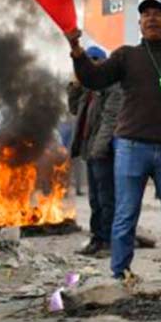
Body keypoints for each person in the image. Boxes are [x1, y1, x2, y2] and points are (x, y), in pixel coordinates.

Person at [66, 0, 161, 294]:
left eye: (158, 14)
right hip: (131, 146)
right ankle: (120, 275)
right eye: (146, 14)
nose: (151, 18)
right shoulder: (125, 56)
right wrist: (77, 51)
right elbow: (94, 79)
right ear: (139, 24)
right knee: (125, 214)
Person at [68, 46, 123, 257]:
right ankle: (97, 239)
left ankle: (108, 242)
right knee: (94, 199)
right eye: (88, 60)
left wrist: (99, 149)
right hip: (89, 150)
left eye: (95, 60)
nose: (90, 63)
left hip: (103, 152)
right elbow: (74, 110)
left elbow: (110, 121)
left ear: (104, 62)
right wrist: (75, 86)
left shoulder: (113, 87)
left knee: (106, 198)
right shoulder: (89, 90)